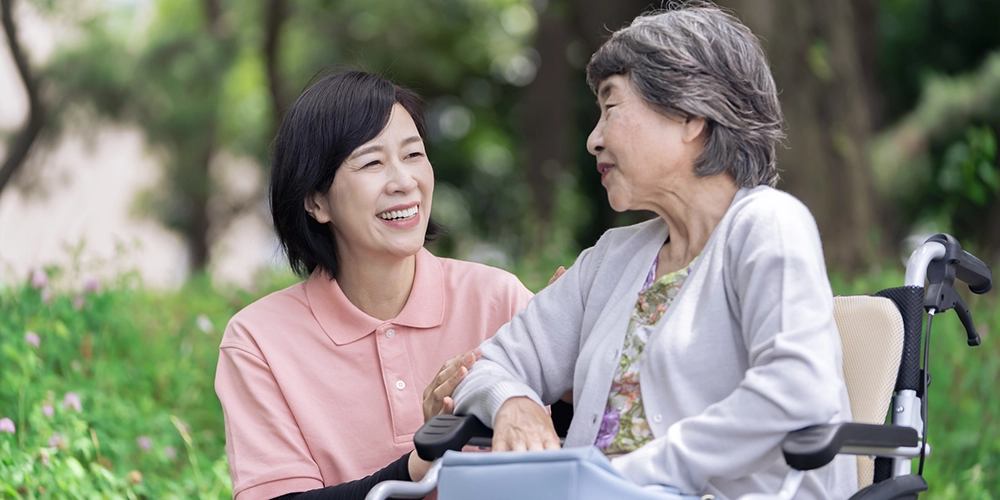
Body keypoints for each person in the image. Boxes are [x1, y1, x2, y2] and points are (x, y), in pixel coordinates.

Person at [452, 5, 858, 499]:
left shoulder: (767, 225)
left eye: (611, 107)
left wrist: (626, 476)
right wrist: (512, 401)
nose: (593, 139)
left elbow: (796, 393)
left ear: (690, 114)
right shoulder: (614, 257)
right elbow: (493, 365)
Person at [214, 70, 533, 500]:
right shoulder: (258, 340)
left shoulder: (498, 299)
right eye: (372, 163)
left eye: (414, 154)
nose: (404, 181)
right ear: (316, 201)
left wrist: (575, 367)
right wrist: (424, 458)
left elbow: (580, 451)